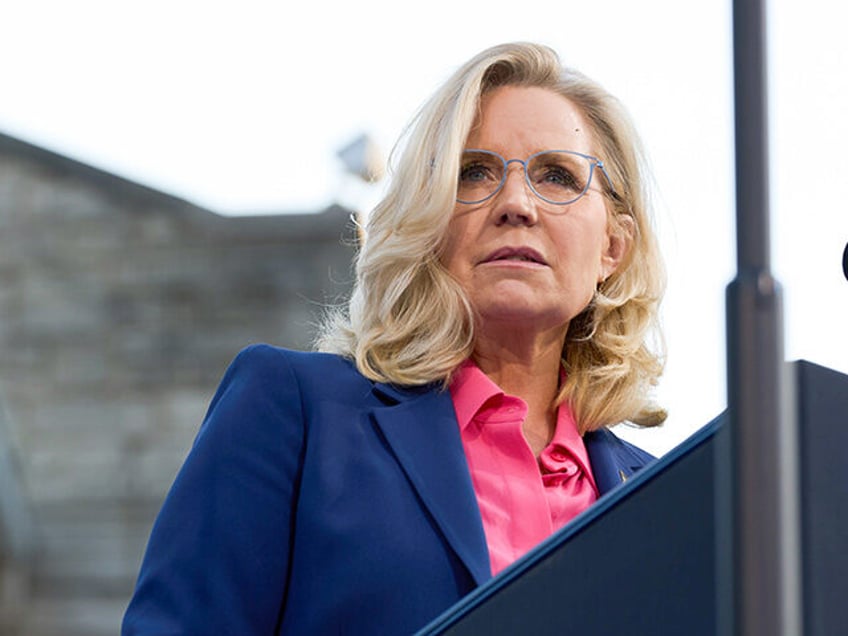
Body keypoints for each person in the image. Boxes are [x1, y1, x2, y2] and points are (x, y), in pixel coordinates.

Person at [122, 41, 666, 635]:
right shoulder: (295, 412)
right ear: (428, 223)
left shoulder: (670, 500)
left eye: (557, 176)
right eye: (474, 171)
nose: (515, 204)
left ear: (615, 246)